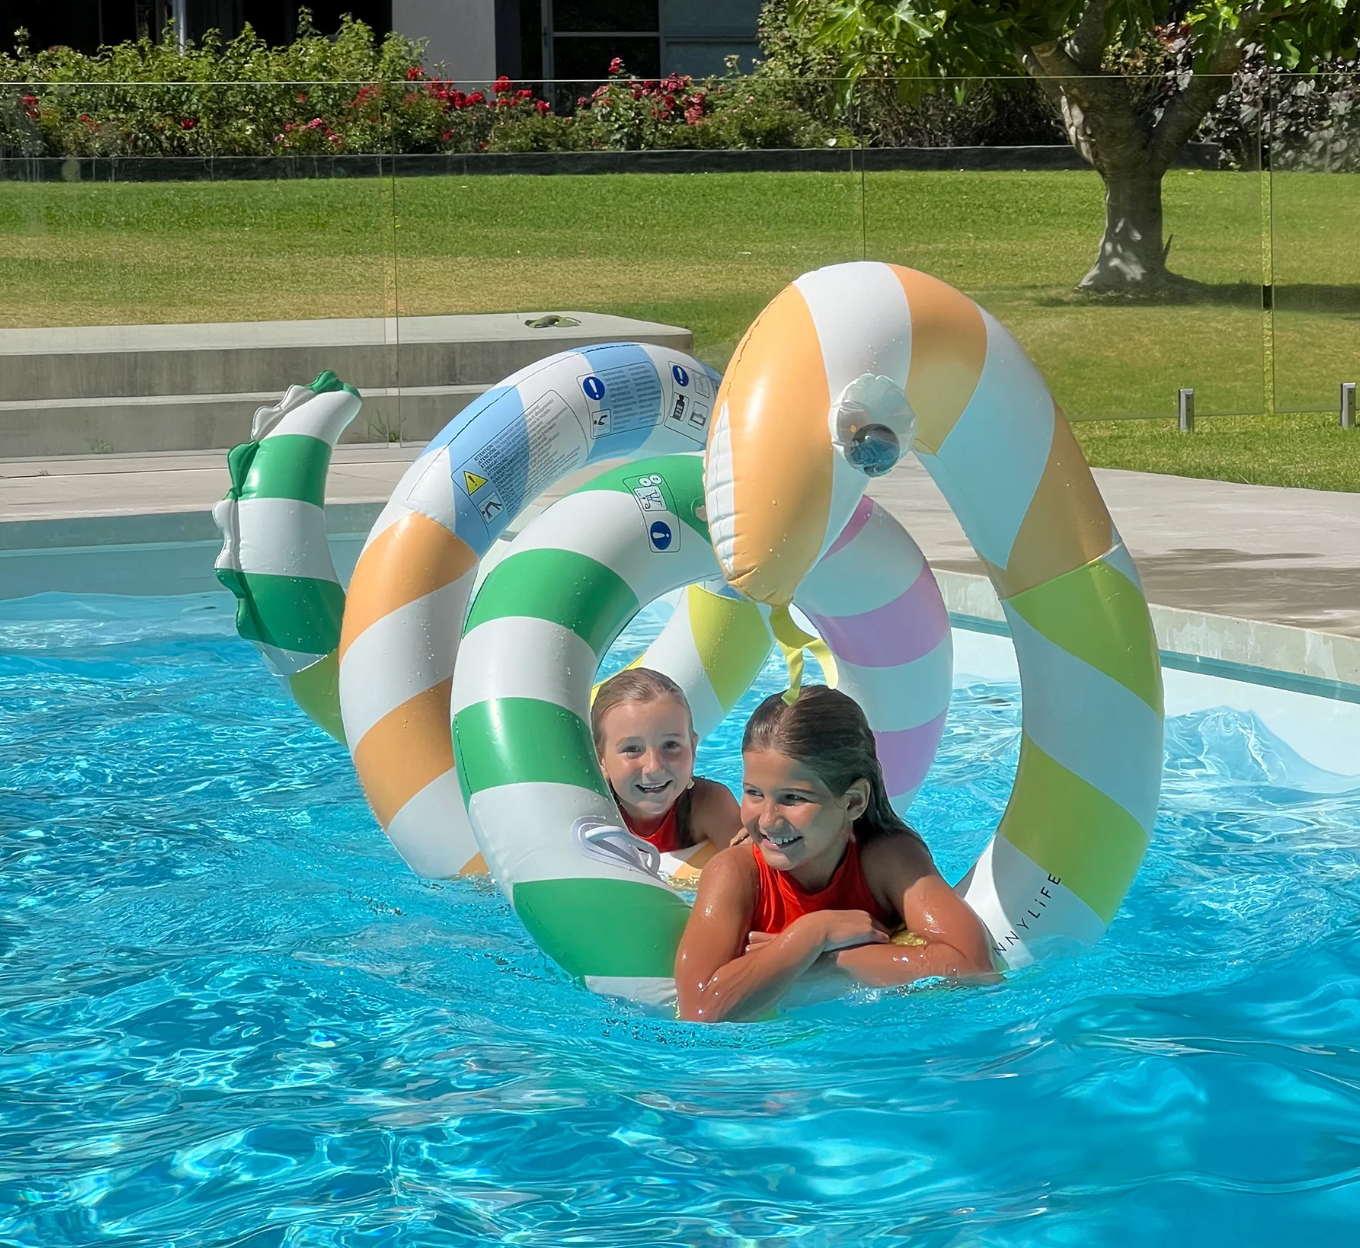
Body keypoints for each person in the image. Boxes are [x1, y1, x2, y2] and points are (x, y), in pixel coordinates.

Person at [675, 685, 994, 1022]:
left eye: (794, 798)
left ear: (853, 802)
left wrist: (826, 957)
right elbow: (700, 1009)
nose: (767, 819)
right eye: (754, 793)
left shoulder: (885, 860)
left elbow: (973, 967)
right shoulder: (735, 873)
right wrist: (814, 932)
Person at [592, 668, 742, 856]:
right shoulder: (589, 810)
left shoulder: (707, 804)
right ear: (600, 758)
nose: (653, 767)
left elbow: (751, 865)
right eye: (632, 749)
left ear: (693, 748)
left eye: (670, 745)